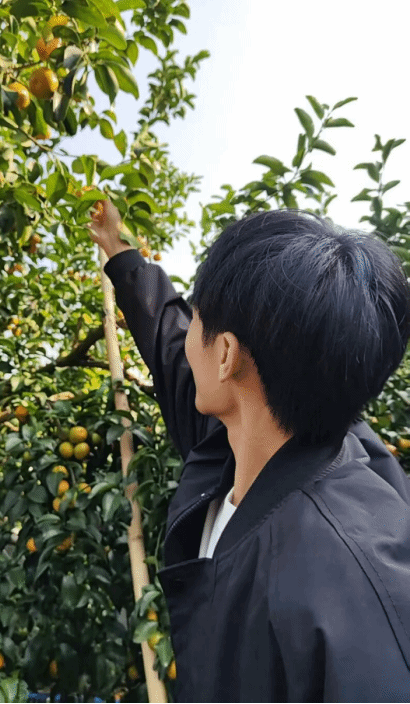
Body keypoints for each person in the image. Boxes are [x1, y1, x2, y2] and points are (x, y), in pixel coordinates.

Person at [86, 200, 410, 703]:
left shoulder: (356, 588)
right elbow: (171, 345)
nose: (186, 334)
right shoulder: (247, 437)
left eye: (197, 318)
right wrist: (118, 250)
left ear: (226, 355)